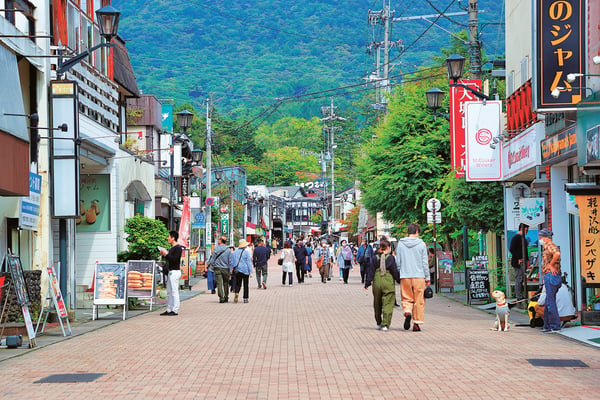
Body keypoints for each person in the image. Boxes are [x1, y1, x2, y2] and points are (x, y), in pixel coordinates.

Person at [395, 223, 430, 332]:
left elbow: (398, 261)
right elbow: (425, 262)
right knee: (419, 300)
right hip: (419, 276)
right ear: (417, 232)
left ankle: (407, 311)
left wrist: (400, 272)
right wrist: (427, 277)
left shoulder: (401, 244)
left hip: (405, 275)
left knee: (406, 297)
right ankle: (416, 323)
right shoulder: (422, 244)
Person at [364, 238, 400, 331]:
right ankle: (385, 324)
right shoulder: (391, 258)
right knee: (388, 303)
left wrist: (367, 283)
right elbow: (394, 271)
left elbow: (370, 271)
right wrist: (399, 280)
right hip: (388, 281)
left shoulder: (375, 257)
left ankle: (378, 322)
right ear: (388, 247)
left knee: (377, 303)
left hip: (377, 281)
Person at [539, 228, 562, 333]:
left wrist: (551, 265)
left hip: (551, 276)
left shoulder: (550, 245)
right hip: (552, 276)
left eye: (541, 237)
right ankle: (547, 326)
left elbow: (557, 254)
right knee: (549, 300)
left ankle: (555, 325)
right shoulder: (547, 246)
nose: (540, 239)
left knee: (550, 301)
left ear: (546, 238)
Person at [159, 230, 183, 316]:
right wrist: (164, 254)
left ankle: (175, 309)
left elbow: (174, 259)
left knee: (174, 291)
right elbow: (169, 259)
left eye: (169, 237)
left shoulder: (178, 248)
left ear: (173, 238)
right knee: (169, 291)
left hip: (175, 272)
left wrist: (166, 254)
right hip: (170, 271)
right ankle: (169, 309)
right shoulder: (173, 248)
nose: (167, 238)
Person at [207, 236, 231, 303]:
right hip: (226, 268)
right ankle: (226, 297)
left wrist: (211, 266)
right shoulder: (228, 250)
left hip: (217, 268)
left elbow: (212, 260)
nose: (218, 240)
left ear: (221, 241)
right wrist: (230, 269)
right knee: (226, 283)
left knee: (219, 283)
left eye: (219, 239)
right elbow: (230, 260)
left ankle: (221, 298)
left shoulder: (216, 249)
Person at [509, 223, 529, 300]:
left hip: (522, 260)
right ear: (521, 229)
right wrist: (518, 258)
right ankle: (519, 296)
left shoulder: (523, 238)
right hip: (518, 261)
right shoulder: (516, 238)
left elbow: (525, 250)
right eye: (526, 230)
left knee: (522, 278)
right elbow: (512, 249)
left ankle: (521, 294)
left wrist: (527, 260)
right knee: (519, 278)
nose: (527, 232)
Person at [231, 239, 253, 303]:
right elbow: (249, 262)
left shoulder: (234, 252)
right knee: (246, 285)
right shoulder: (246, 253)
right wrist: (250, 271)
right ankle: (245, 298)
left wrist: (231, 269)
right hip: (245, 270)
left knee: (238, 284)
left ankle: (236, 293)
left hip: (237, 270)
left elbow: (232, 262)